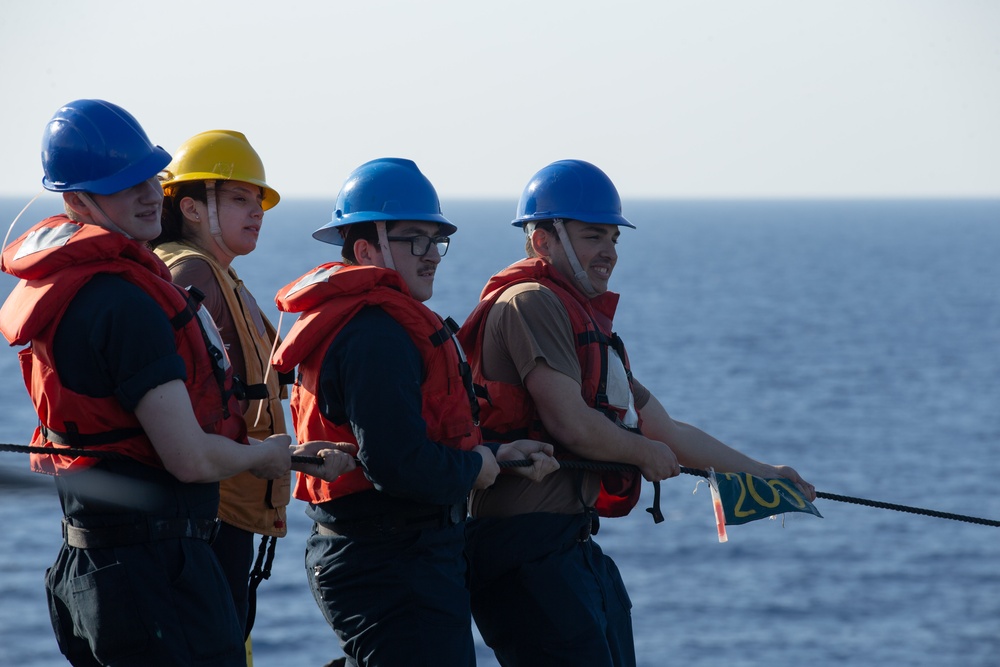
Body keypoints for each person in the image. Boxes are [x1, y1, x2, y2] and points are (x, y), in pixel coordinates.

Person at [0, 99, 345, 666]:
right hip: (155, 573)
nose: (143, 195)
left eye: (147, 177)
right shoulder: (127, 300)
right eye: (120, 184)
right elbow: (188, 458)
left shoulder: (82, 288)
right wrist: (269, 456)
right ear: (75, 201)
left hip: (90, 563)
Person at [458, 159, 817, 667]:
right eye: (592, 237)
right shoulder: (530, 302)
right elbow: (570, 423)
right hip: (524, 549)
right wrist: (641, 452)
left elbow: (664, 429)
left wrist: (765, 473)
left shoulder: (580, 322)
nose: (608, 252)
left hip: (567, 547)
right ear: (543, 241)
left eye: (613, 238)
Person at [271, 157, 558, 666]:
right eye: (414, 240)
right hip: (391, 564)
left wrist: (496, 451)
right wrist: (475, 467)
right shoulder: (374, 335)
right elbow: (396, 464)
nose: (432, 256)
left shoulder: (372, 325)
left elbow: (398, 442)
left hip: (389, 557)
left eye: (436, 241)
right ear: (366, 249)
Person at [151, 129, 307, 639]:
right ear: (192, 208)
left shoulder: (219, 274)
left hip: (228, 498)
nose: (257, 210)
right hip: (210, 507)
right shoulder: (192, 271)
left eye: (258, 200)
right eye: (239, 197)